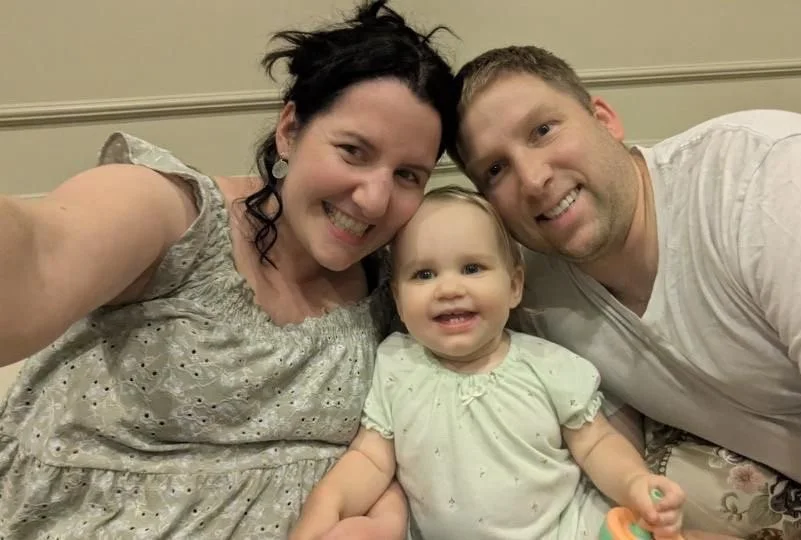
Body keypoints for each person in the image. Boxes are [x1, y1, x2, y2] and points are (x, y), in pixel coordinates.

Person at [0, 1, 459, 537]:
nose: (375, 200)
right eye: (353, 151)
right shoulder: (172, 214)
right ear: (289, 130)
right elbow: (39, 259)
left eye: (408, 174)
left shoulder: (399, 289)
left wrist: (387, 517)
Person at [448, 45, 801, 538]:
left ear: (604, 119)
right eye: (495, 170)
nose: (534, 179)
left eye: (543, 130)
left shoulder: (766, 180)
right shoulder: (531, 294)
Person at [290, 186, 693, 540]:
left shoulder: (547, 365)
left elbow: (597, 445)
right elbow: (371, 458)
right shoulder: (396, 364)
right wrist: (329, 503)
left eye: (472, 268)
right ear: (397, 298)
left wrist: (635, 482)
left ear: (514, 285)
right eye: (424, 274)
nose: (449, 288)